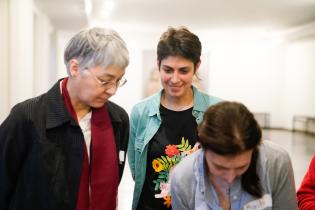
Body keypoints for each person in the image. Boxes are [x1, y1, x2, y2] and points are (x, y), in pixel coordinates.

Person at [0, 27, 129, 210]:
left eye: (118, 80)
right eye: (105, 80)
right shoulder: (27, 116)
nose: (112, 90)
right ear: (74, 68)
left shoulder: (118, 120)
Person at [127, 26, 221, 210]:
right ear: (158, 64)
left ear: (197, 66)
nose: (175, 79)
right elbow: (137, 170)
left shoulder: (216, 110)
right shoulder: (141, 112)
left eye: (184, 71)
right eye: (168, 70)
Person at [170, 101, 298, 210]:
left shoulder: (276, 162)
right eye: (219, 167)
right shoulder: (183, 177)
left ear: (255, 148)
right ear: (202, 148)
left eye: (241, 167)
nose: (230, 178)